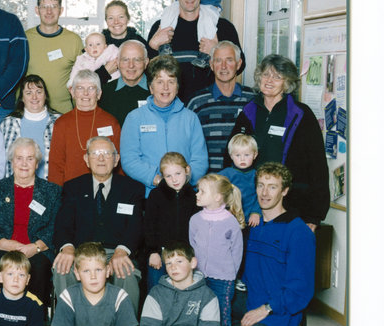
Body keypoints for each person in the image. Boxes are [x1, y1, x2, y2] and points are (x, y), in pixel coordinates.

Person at [225, 54, 330, 228]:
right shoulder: (248, 112)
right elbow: (231, 155)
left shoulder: (301, 114)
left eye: (277, 77)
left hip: (291, 206)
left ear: (287, 83)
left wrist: (314, 216)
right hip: (251, 206)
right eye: (266, 75)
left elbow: (317, 165)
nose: (269, 80)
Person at [228, 162, 315, 326]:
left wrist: (265, 309)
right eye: (260, 185)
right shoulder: (253, 226)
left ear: (284, 191)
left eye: (272, 187)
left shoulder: (298, 232)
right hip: (250, 301)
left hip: (280, 311)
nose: (264, 193)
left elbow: (300, 289)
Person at [52, 136, 145, 308]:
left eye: (107, 154)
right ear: (87, 159)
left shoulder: (132, 188)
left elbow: (136, 226)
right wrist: (68, 248)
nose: (101, 158)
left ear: (116, 159)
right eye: (95, 153)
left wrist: (121, 251)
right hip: (81, 252)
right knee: (62, 268)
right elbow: (63, 224)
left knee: (126, 271)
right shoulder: (73, 187)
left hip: (116, 252)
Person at [0, 138, 61, 311]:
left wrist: (36, 247)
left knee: (38, 267)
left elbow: (56, 226)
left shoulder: (52, 191)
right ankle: (1, 318)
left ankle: (34, 322)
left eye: (30, 158)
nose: (24, 163)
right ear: (11, 161)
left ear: (37, 162)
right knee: (3, 264)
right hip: (3, 249)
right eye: (19, 158)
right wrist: (7, 244)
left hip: (37, 250)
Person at [146, 0, 244, 103]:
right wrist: (152, 45)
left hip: (208, 105)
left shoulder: (221, 27)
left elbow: (240, 65)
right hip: (170, 104)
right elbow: (147, 70)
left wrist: (217, 52)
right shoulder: (161, 27)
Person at [120, 54, 208, 195]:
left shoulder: (190, 118)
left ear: (178, 87)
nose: (165, 87)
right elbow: (129, 160)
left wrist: (184, 181)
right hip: (148, 195)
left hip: (185, 194)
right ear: (151, 87)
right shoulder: (134, 118)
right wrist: (158, 180)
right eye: (160, 82)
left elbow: (200, 159)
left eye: (171, 81)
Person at [190, 173, 245, 326]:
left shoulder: (231, 222)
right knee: (199, 318)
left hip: (223, 280)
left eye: (202, 191)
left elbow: (237, 253)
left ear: (217, 197)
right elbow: (192, 246)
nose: (197, 194)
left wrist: (229, 274)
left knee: (222, 319)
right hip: (198, 278)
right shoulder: (195, 220)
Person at [186, 40, 256, 173]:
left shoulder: (252, 99)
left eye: (229, 60)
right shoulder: (196, 102)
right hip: (209, 184)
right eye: (218, 61)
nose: (223, 66)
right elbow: (186, 145)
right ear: (211, 65)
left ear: (238, 64)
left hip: (245, 184)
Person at [46, 69, 121, 187]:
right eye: (80, 88)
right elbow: (56, 165)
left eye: (91, 88)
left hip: (104, 189)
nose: (85, 93)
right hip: (71, 192)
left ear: (99, 94)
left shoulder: (111, 122)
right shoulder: (62, 123)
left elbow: (118, 165)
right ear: (73, 92)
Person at [143, 152, 200, 290]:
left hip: (185, 255)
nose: (174, 179)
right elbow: (149, 226)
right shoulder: (156, 195)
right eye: (168, 176)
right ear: (162, 177)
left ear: (186, 170)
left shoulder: (195, 196)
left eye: (178, 173)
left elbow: (198, 229)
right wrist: (152, 252)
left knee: (184, 292)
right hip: (160, 255)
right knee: (157, 292)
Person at [23, 0, 83, 114]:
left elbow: (82, 78)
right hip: (31, 111)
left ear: (61, 10)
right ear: (37, 10)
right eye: (44, 7)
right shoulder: (25, 38)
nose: (49, 11)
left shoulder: (74, 40)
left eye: (54, 6)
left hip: (65, 113)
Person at [0, 74, 59, 180]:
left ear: (45, 95)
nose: (34, 97)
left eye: (39, 92)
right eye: (28, 93)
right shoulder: (8, 124)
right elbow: (0, 161)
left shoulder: (59, 122)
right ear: (22, 98)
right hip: (15, 189)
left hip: (51, 190)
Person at [98, 39, 150, 128]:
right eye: (125, 59)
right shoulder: (104, 92)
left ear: (146, 62)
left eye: (137, 60)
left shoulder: (159, 91)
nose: (131, 65)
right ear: (117, 62)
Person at [98, 0, 149, 84]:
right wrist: (104, 73)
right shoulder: (97, 43)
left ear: (128, 19)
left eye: (121, 17)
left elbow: (151, 73)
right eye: (111, 18)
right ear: (106, 21)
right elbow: (84, 77)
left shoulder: (139, 43)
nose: (116, 22)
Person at [218, 134, 262, 227]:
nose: (242, 159)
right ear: (231, 156)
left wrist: (256, 212)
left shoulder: (258, 175)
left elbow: (261, 196)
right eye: (237, 155)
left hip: (250, 220)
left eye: (247, 155)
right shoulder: (225, 174)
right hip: (228, 218)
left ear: (255, 155)